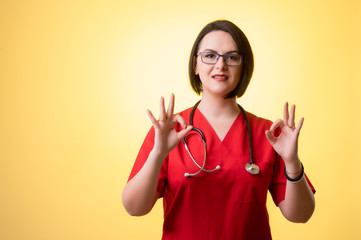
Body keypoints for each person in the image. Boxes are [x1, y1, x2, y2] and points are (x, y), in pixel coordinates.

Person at [122, 19, 316, 240]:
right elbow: (134, 208)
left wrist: (292, 161)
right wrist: (158, 154)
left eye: (232, 57)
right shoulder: (170, 131)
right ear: (195, 64)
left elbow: (300, 215)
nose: (220, 65)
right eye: (210, 56)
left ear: (244, 66)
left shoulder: (270, 135)